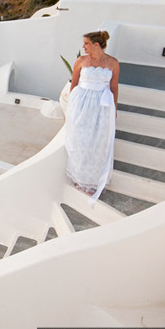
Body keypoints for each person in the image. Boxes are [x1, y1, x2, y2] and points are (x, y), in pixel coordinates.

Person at [65, 31, 119, 202]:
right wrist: (72, 106)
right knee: (81, 140)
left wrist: (114, 108)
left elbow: (114, 87)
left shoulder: (113, 63)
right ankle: (80, 178)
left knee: (98, 142)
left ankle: (94, 181)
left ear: (97, 45)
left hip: (102, 106)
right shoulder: (80, 61)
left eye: (86, 43)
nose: (83, 47)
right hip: (82, 105)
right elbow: (74, 83)